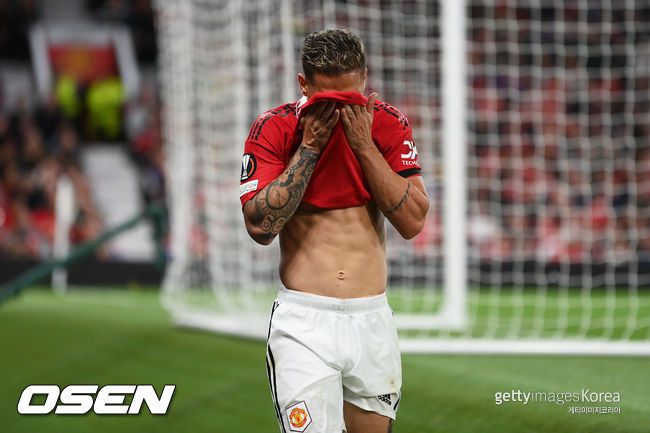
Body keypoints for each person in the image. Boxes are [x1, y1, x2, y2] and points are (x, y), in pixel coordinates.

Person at [240, 29, 429, 433]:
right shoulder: (275, 128)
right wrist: (309, 148)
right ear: (303, 85)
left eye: (350, 99)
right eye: (328, 102)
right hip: (304, 324)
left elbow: (413, 221)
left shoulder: (388, 124)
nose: (340, 111)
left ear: (364, 78)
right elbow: (259, 226)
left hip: (371, 320)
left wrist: (364, 147)